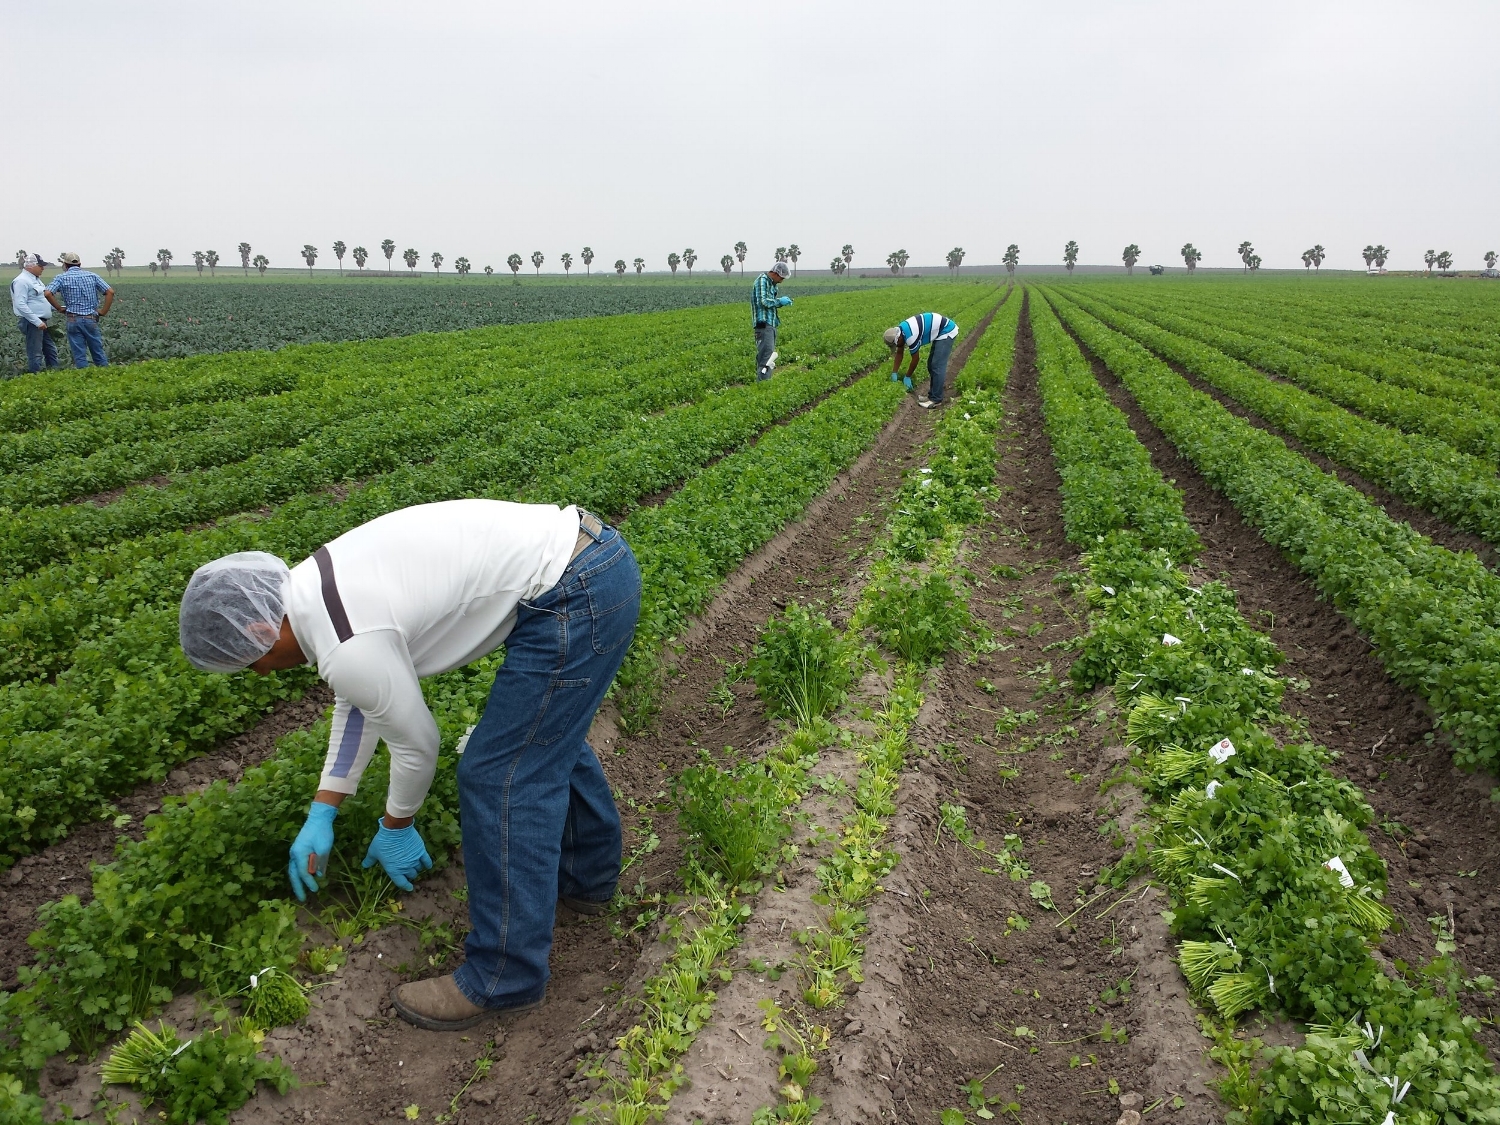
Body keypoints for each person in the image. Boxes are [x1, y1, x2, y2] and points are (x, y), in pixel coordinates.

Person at [178, 499, 641, 1031]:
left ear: (260, 631)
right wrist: (324, 808)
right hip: (591, 561)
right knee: (541, 736)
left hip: (574, 593)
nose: (260, 674)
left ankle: (503, 978)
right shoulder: (315, 589)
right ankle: (588, 880)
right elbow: (362, 700)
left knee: (500, 775)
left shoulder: (344, 641)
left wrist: (395, 824)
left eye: (248, 663)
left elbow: (418, 744)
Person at [45, 251, 113, 368]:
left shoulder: (61, 278)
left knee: (79, 354)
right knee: (98, 352)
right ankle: (106, 376)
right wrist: (103, 311)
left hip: (73, 319)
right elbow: (110, 292)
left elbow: (47, 293)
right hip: (90, 319)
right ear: (80, 265)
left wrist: (59, 308)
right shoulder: (92, 276)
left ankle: (84, 378)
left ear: (65, 265)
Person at [884, 311, 959, 408]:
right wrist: (894, 372)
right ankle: (932, 395)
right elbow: (899, 352)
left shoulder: (910, 336)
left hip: (947, 331)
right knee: (931, 364)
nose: (897, 346)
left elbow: (915, 359)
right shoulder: (900, 332)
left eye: (896, 344)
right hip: (940, 331)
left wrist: (908, 376)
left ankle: (936, 399)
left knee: (937, 365)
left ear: (898, 339)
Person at [10, 253, 59, 375]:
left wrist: (59, 308)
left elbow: (40, 301)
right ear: (30, 266)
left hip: (42, 322)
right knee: (35, 352)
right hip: (33, 322)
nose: (43, 268)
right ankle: (35, 376)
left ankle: (55, 374)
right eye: (40, 265)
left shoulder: (36, 280)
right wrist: (37, 322)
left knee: (50, 350)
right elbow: (20, 304)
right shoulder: (21, 281)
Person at [751, 260, 792, 380]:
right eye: (781, 278)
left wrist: (779, 302)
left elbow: (769, 301)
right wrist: (779, 301)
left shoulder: (772, 284)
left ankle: (765, 382)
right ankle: (763, 385)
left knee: (769, 357)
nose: (781, 281)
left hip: (770, 324)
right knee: (766, 358)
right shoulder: (762, 281)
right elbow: (763, 301)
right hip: (763, 325)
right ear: (775, 273)